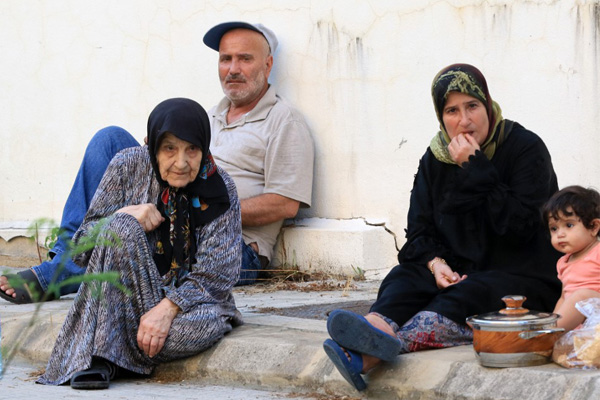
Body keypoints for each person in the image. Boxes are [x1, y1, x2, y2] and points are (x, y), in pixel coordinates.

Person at [0, 21, 314, 303]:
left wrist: (198, 209)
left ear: (268, 64)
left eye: (245, 59)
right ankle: (68, 255)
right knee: (110, 140)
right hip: (170, 220)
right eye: (225, 58)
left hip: (231, 248)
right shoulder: (207, 117)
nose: (233, 68)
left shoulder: (284, 120)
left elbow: (285, 204)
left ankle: (59, 273)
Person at [322, 63, 562, 391]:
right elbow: (418, 231)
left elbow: (519, 226)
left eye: (472, 106)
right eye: (452, 110)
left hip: (520, 278)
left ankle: (369, 351)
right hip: (457, 273)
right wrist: (436, 264)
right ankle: (374, 326)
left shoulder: (524, 148)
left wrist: (474, 166)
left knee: (468, 293)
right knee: (404, 277)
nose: (464, 120)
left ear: (488, 105)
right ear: (441, 116)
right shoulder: (435, 158)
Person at [36, 97, 243, 389]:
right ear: (152, 146)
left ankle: (108, 348)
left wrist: (167, 309)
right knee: (119, 225)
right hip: (125, 297)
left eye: (192, 149)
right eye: (169, 148)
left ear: (204, 147)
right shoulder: (126, 166)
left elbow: (218, 275)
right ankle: (112, 350)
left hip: (187, 306)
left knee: (204, 325)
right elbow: (81, 248)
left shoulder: (221, 188)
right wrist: (123, 214)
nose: (181, 163)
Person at [542, 185, 600, 331]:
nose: (560, 234)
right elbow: (563, 298)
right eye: (554, 228)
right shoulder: (563, 262)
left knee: (581, 296)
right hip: (579, 328)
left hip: (596, 319)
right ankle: (550, 333)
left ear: (593, 227)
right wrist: (554, 318)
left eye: (569, 225)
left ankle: (544, 337)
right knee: (545, 317)